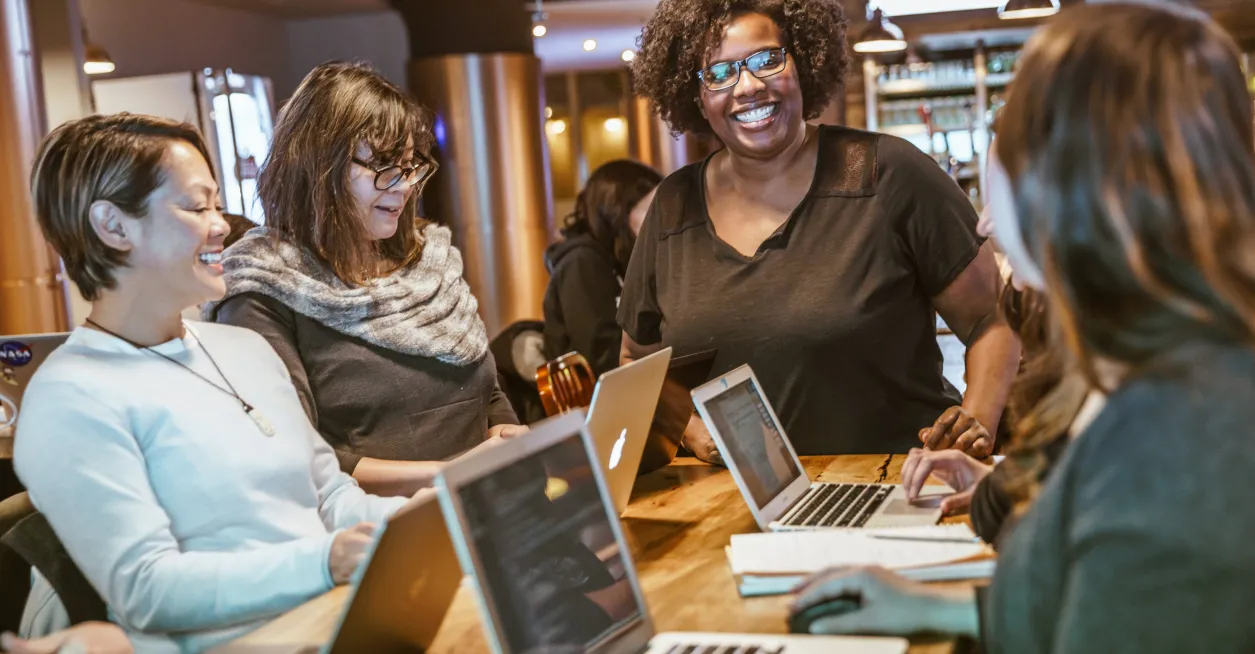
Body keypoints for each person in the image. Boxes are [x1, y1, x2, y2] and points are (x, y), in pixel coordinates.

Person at [792, 4, 1255, 651]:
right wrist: (933, 607)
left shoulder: (1170, 435)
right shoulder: (1164, 373)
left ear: (1075, 189)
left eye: (997, 183)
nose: (982, 225)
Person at [16, 113, 410, 653]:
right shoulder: (72, 396)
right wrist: (323, 560)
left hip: (343, 621)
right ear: (113, 226)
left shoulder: (243, 348)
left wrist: (440, 518)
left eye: (216, 202)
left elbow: (331, 497)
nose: (222, 222)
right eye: (196, 206)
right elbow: (147, 590)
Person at [622, 0, 1020, 460]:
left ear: (804, 63)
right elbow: (637, 363)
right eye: (719, 73)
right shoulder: (674, 205)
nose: (748, 86)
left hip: (895, 486)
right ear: (695, 97)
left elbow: (993, 317)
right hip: (730, 507)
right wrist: (688, 428)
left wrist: (976, 425)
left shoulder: (890, 175)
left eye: (768, 60)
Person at [208, 63, 523, 498]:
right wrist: (445, 475)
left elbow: (484, 389)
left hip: (497, 507)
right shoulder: (264, 289)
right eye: (383, 167)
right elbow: (292, 454)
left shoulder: (429, 261)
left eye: (410, 166)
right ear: (319, 165)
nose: (404, 186)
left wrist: (507, 432)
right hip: (384, 534)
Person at [543, 160, 662, 377]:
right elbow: (601, 352)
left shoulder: (624, 259)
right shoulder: (582, 262)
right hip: (597, 401)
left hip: (631, 388)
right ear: (616, 212)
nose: (661, 220)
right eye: (651, 210)